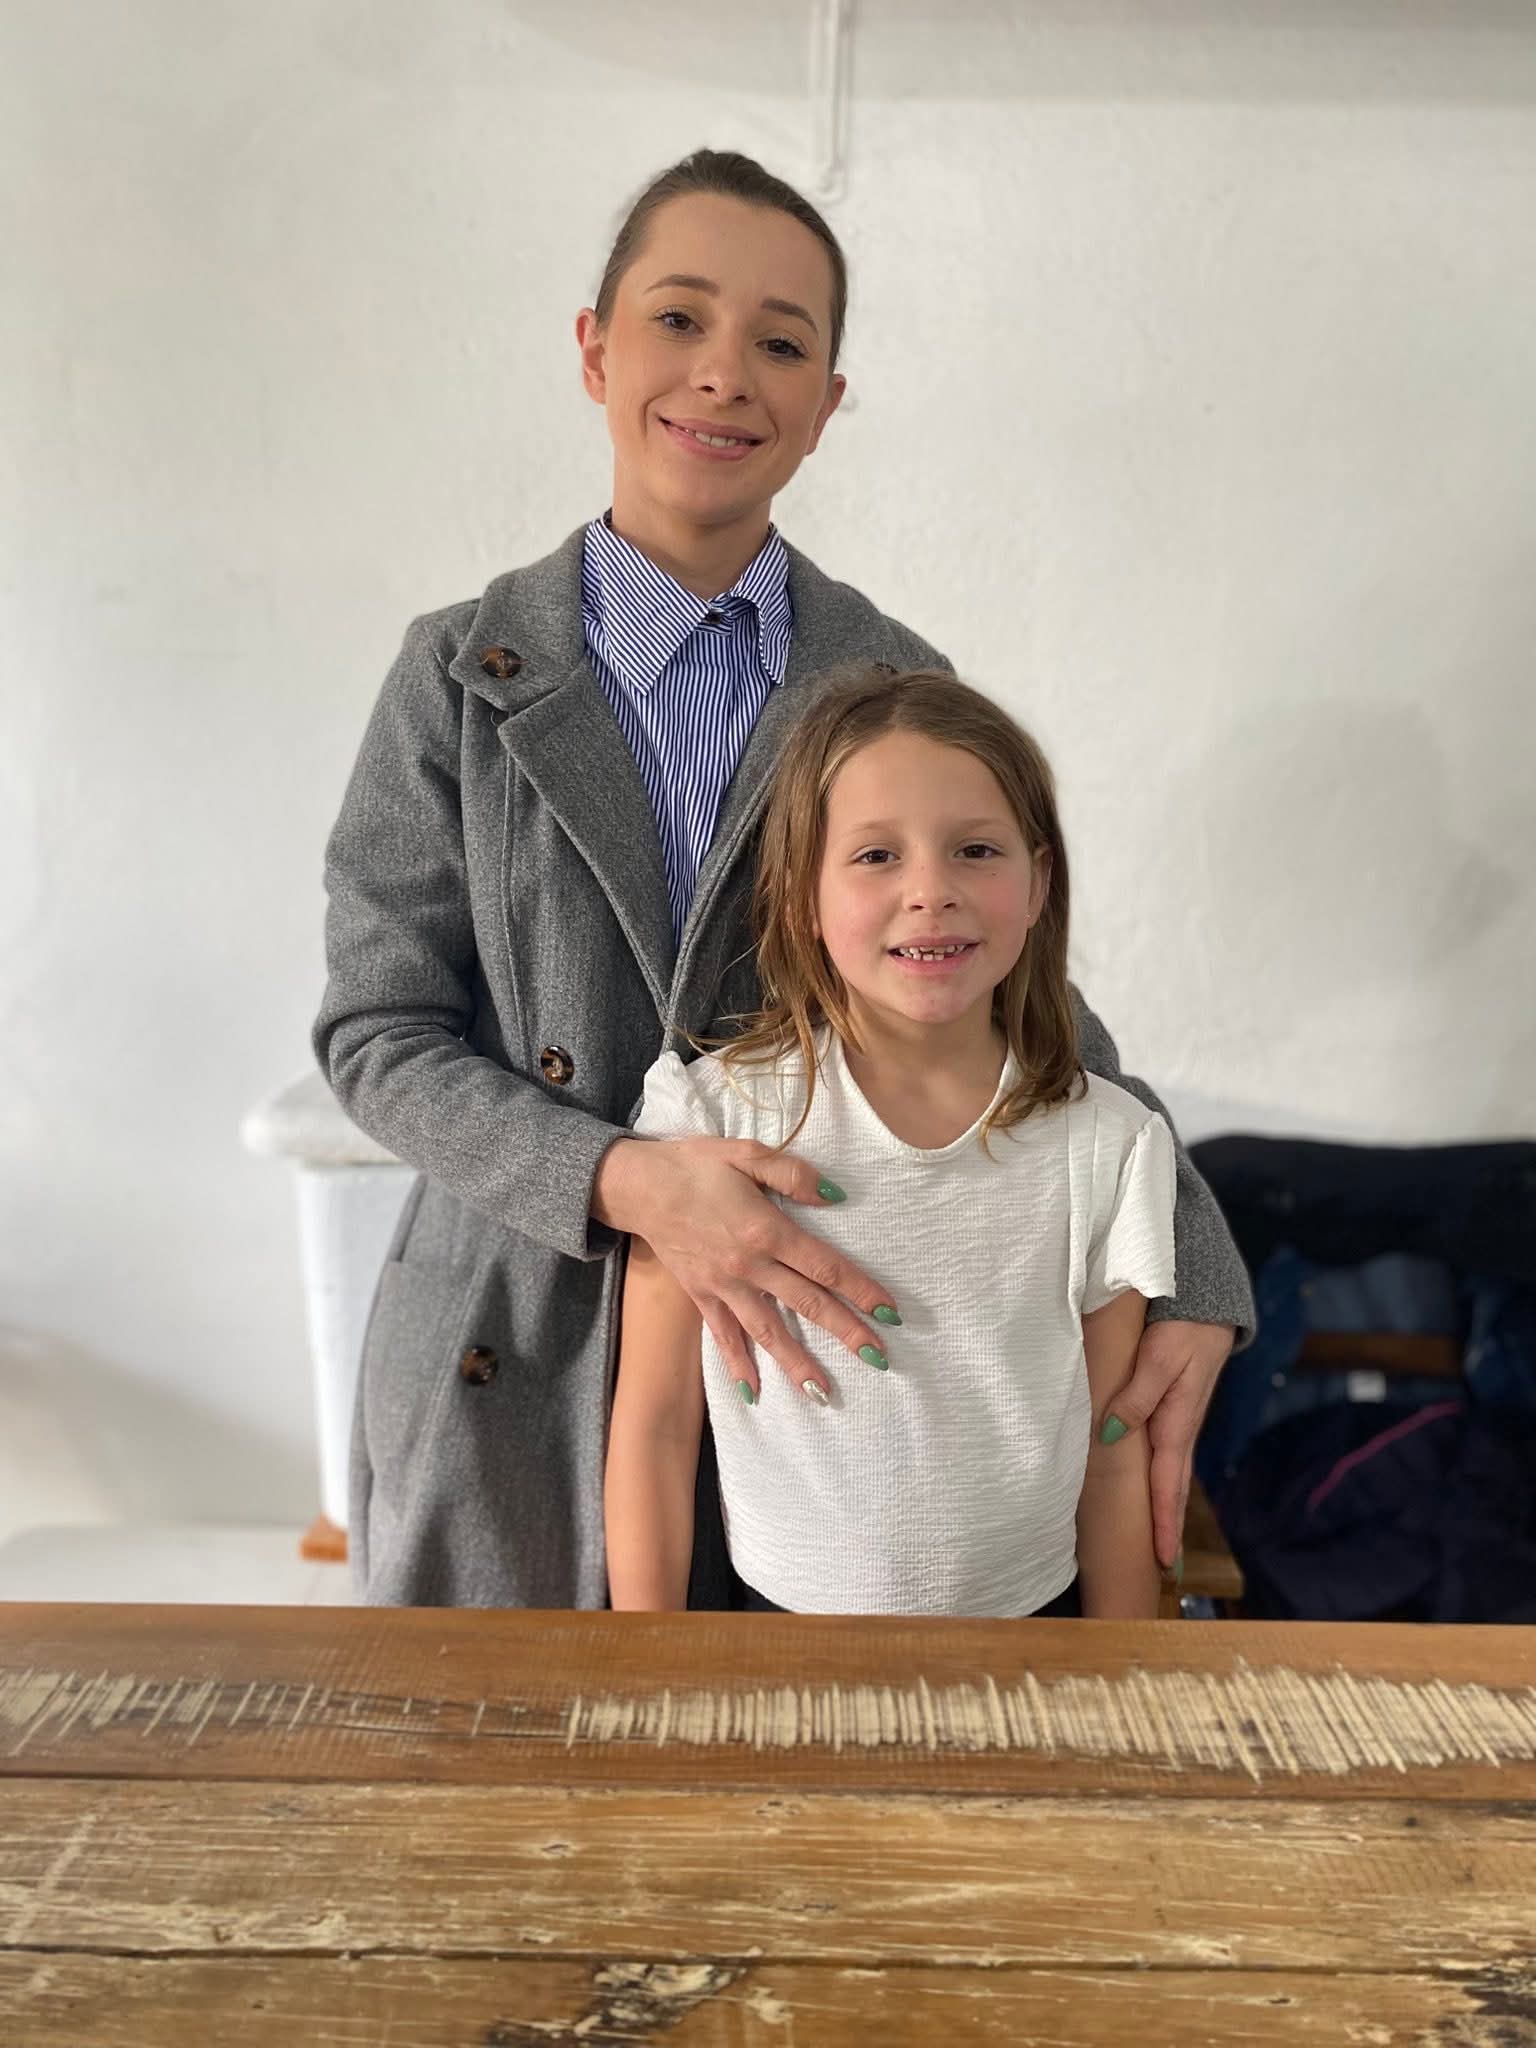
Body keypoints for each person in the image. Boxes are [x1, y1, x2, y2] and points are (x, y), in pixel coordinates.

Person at [314, 148, 1254, 1609]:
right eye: (678, 319)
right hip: (514, 1344)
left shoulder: (892, 675)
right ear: (595, 350)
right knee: (507, 1757)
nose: (724, 374)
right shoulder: (457, 675)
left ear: (825, 403)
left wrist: (1195, 1263)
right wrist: (631, 1179)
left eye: (781, 343)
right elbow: (378, 1033)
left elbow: (1021, 1008)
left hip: (829, 1384)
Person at [606, 667, 1171, 1618]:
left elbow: (1113, 1456)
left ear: (1039, 882)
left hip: (1035, 1637)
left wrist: (1128, 1683)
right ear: (801, 895)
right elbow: (657, 1426)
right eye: (876, 856)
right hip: (774, 1639)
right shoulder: (710, 1120)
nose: (931, 893)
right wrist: (644, 1673)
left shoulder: (1110, 1143)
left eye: (976, 850)